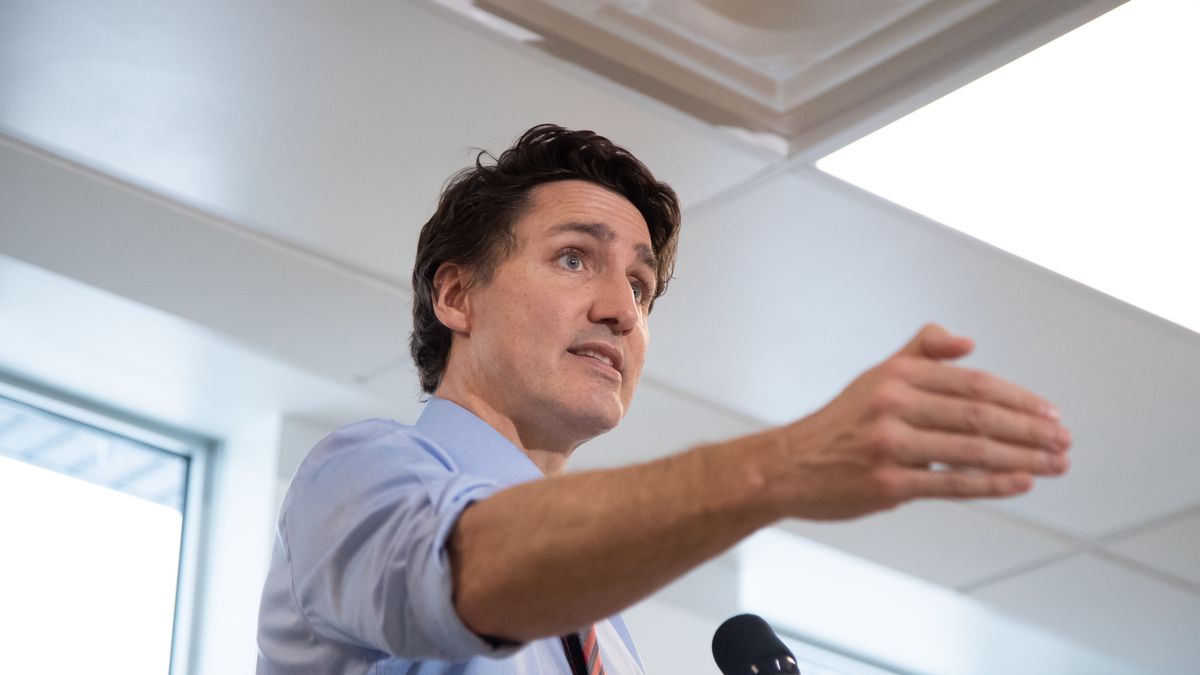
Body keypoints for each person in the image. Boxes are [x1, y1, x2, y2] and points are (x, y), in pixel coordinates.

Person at [256, 124, 1071, 674]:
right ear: (458, 296)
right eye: (576, 258)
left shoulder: (610, 638)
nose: (621, 308)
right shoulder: (358, 473)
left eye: (641, 286)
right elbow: (469, 571)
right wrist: (780, 466)